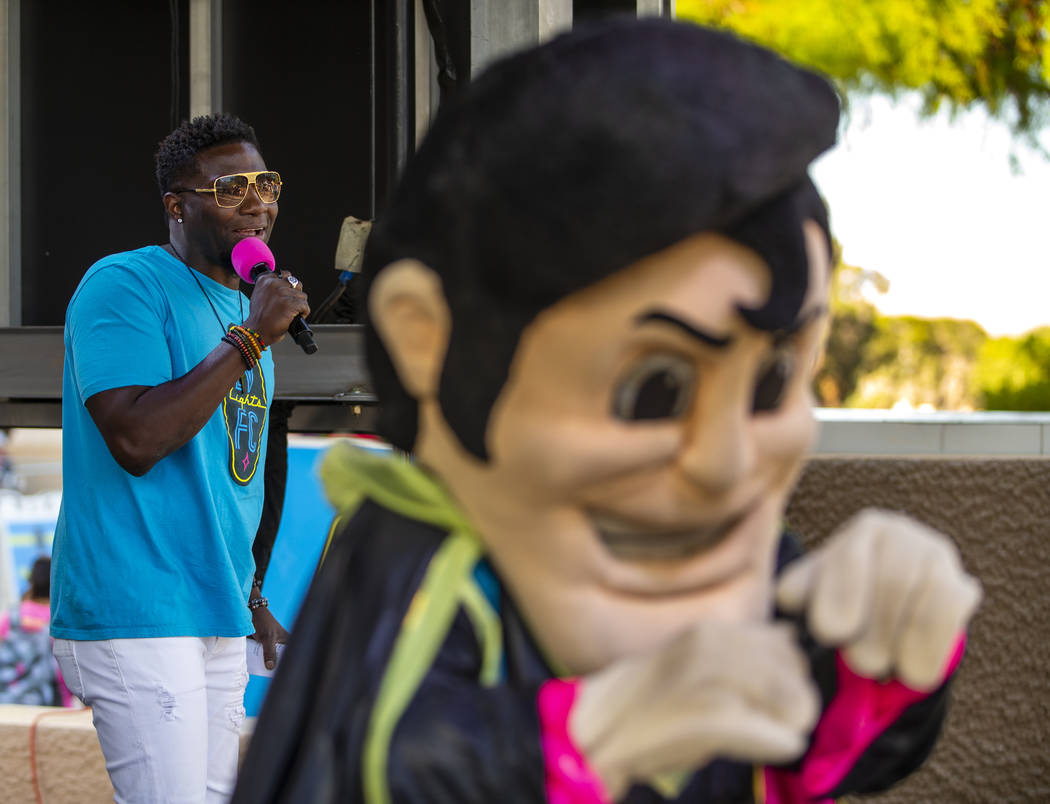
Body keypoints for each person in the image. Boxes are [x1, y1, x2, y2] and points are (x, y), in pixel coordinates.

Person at [233, 18, 981, 804]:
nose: (723, 462)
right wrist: (596, 736)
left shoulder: (724, 555)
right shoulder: (422, 571)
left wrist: (885, 656)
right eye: (653, 392)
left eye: (773, 385)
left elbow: (818, 751)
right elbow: (362, 768)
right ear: (430, 342)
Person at [50, 113, 309, 803]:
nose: (258, 201)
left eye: (266, 183)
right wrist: (252, 337)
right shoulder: (124, 285)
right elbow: (135, 439)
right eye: (232, 187)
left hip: (214, 610)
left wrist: (248, 593)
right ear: (177, 206)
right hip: (137, 606)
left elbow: (230, 483)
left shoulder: (242, 313)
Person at [0, 556, 69, 706]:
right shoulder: (59, 617)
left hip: (10, 700)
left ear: (32, 581)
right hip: (50, 703)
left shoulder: (13, 615)